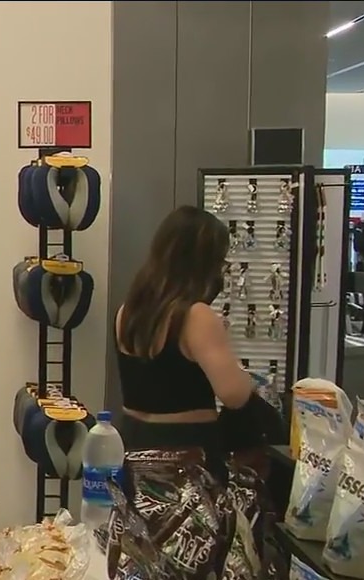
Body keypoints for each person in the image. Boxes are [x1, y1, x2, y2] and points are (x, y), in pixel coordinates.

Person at [111, 205, 280, 574]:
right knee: (193, 558)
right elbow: (234, 393)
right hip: (188, 460)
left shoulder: (128, 312)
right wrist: (249, 378)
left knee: (147, 556)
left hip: (136, 449)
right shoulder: (195, 315)